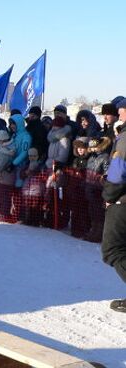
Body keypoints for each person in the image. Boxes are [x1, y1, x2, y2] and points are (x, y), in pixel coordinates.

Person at [101, 98, 126, 313]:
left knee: (112, 250)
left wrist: (108, 194)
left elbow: (118, 174)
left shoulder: (124, 139)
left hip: (122, 202)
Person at [84, 137, 111, 242]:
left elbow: (107, 172)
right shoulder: (91, 157)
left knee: (98, 212)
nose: (94, 149)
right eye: (92, 148)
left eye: (95, 147)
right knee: (92, 211)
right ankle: (93, 230)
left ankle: (98, 233)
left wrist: (102, 178)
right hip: (90, 186)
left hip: (98, 188)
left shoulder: (105, 157)